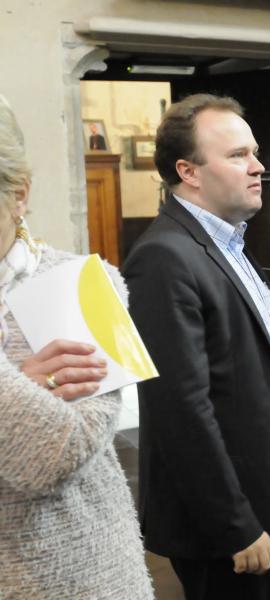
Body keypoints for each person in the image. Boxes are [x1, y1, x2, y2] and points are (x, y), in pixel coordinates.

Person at [123, 94, 270, 600]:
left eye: (254, 152)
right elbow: (180, 410)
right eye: (237, 156)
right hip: (222, 523)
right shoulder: (165, 258)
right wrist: (236, 525)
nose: (259, 167)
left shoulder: (227, 242)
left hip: (259, 491)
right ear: (189, 171)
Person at [0, 95, 152, 598]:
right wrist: (26, 388)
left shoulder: (84, 285)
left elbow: (55, 455)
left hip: (76, 574)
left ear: (18, 194)